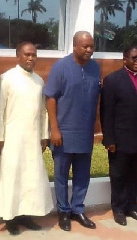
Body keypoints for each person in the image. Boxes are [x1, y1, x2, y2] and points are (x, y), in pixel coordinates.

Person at [0, 42, 53, 235]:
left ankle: (26, 214)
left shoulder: (38, 81)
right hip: (12, 138)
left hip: (33, 139)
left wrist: (44, 135)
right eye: (27, 54)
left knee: (30, 178)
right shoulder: (7, 78)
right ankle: (10, 218)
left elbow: (44, 112)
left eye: (34, 55)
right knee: (12, 178)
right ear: (18, 55)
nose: (30, 58)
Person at [44, 31, 101, 231]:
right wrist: (54, 129)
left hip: (85, 132)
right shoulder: (61, 67)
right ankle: (64, 211)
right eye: (85, 46)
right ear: (75, 46)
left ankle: (78, 209)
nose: (89, 50)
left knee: (82, 174)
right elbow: (50, 98)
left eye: (91, 46)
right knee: (61, 174)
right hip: (64, 132)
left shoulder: (95, 68)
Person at [100, 46, 137, 225]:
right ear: (125, 59)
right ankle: (118, 209)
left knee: (134, 174)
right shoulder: (113, 80)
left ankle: (132, 207)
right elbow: (106, 112)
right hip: (120, 139)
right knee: (118, 175)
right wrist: (109, 139)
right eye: (134, 58)